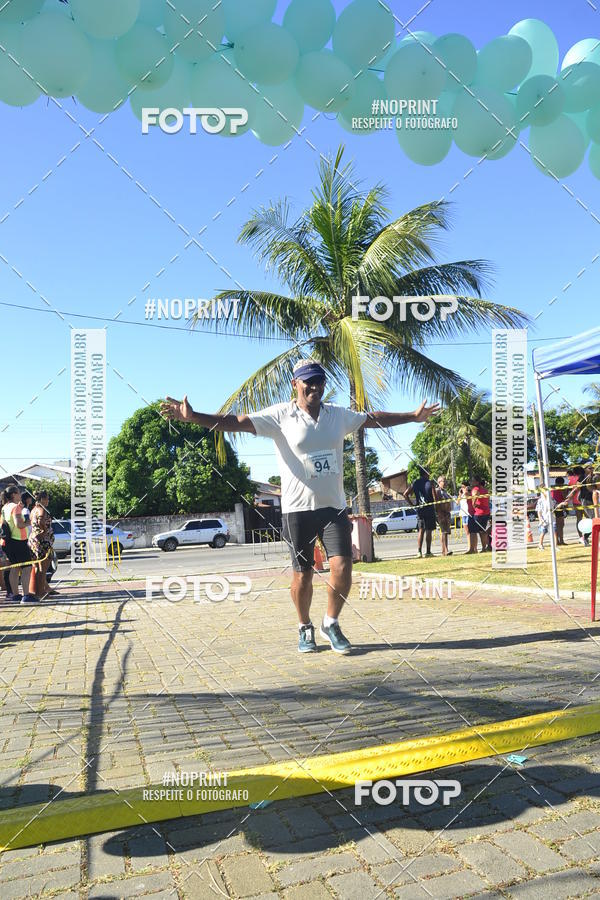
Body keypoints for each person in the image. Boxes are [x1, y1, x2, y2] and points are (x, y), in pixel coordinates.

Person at [161, 359, 439, 655]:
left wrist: (412, 416)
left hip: (333, 508)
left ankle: (331, 623)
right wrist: (195, 417)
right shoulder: (280, 416)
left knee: (343, 568)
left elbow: (373, 418)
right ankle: (305, 626)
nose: (315, 387)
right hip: (297, 510)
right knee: (303, 575)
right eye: (308, 381)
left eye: (319, 381)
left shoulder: (337, 415)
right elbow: (236, 422)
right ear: (295, 384)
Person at [0, 486, 36, 603]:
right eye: (19, 493)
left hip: (8, 542)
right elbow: (19, 524)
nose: (21, 495)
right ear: (13, 495)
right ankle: (26, 596)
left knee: (15, 567)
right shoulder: (15, 507)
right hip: (18, 541)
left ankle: (15, 595)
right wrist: (29, 522)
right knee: (27, 567)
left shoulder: (5, 507)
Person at [403, 466, 438, 558]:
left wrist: (412, 505)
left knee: (421, 530)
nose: (429, 474)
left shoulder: (415, 482)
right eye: (428, 472)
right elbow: (435, 498)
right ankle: (428, 552)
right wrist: (433, 488)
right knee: (429, 531)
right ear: (426, 473)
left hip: (420, 509)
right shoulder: (430, 483)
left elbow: (405, 494)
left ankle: (419, 552)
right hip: (429, 509)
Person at [28, 491, 56, 599]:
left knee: (37, 567)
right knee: (43, 569)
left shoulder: (33, 510)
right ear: (42, 499)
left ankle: (37, 592)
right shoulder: (41, 509)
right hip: (42, 541)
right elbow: (41, 521)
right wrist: (44, 531)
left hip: (33, 540)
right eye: (47, 499)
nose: (48, 501)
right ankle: (41, 592)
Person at [470, 476, 490, 552]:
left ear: (477, 482)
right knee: (482, 531)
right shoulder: (485, 490)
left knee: (473, 532)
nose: (471, 482)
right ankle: (484, 548)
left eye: (473, 481)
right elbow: (488, 500)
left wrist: (473, 504)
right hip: (486, 512)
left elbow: (474, 497)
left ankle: (473, 549)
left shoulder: (475, 489)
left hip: (478, 513)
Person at [435, 476, 453, 557]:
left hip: (447, 513)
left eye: (446, 481)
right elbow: (437, 503)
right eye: (443, 481)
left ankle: (445, 550)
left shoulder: (445, 491)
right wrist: (440, 513)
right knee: (443, 532)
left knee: (446, 532)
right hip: (441, 514)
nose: (445, 483)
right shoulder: (437, 491)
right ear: (439, 482)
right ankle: (445, 550)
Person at [458, 483, 476, 552]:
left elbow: (468, 495)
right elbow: (457, 502)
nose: (462, 488)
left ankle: (473, 547)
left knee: (471, 532)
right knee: (467, 532)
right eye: (461, 487)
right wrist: (460, 494)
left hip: (468, 513)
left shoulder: (469, 493)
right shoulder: (462, 494)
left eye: (463, 487)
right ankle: (469, 547)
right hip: (463, 514)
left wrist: (466, 491)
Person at [551, 476, 568, 546]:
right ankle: (560, 540)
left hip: (554, 506)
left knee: (557, 525)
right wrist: (565, 491)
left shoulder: (552, 488)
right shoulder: (561, 489)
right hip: (559, 506)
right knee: (560, 525)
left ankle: (558, 540)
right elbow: (564, 497)